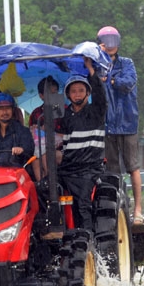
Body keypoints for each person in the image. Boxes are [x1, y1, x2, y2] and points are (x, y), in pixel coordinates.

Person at [97, 26, 143, 226]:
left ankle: (139, 208)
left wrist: (111, 79)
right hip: (107, 125)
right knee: (112, 171)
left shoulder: (126, 63)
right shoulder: (97, 65)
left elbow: (128, 83)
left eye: (112, 40)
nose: (110, 44)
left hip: (127, 122)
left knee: (132, 166)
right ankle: (118, 208)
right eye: (105, 41)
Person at [56, 57, 107, 231]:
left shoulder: (96, 112)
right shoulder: (65, 116)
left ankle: (87, 242)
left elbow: (101, 94)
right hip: (67, 168)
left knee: (83, 204)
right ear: (68, 95)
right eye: (73, 91)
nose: (77, 94)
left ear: (88, 93)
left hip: (89, 168)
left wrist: (90, 69)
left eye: (81, 90)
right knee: (46, 192)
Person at [0, 93, 36, 172]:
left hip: (18, 174)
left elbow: (30, 150)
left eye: (8, 108)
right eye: (1, 109)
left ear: (13, 110)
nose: (4, 112)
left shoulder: (23, 131)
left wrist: (22, 150)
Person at [29, 76, 64, 177]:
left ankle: (53, 184)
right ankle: (42, 187)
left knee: (50, 155)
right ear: (41, 96)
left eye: (55, 93)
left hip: (63, 149)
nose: (53, 96)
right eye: (50, 94)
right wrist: (34, 131)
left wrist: (54, 135)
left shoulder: (64, 110)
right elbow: (33, 138)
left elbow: (71, 134)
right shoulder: (36, 113)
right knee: (35, 160)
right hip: (41, 148)